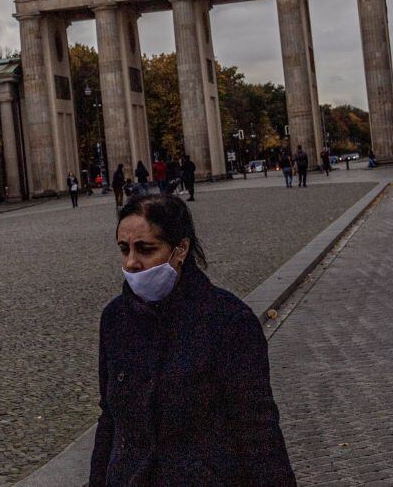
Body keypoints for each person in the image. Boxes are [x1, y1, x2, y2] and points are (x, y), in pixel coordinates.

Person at [90, 190, 295, 486]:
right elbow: (109, 419)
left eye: (146, 249)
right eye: (124, 249)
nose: (132, 262)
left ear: (181, 249)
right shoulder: (115, 319)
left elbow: (257, 430)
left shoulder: (229, 321)